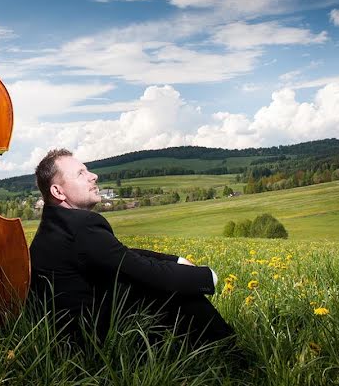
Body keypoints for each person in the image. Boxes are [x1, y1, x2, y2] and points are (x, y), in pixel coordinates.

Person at [28, 148, 234, 346]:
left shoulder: (55, 226)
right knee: (169, 286)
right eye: (81, 173)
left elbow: (120, 254)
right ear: (58, 191)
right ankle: (228, 352)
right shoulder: (81, 226)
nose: (94, 176)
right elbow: (140, 270)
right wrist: (205, 277)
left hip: (68, 334)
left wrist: (175, 260)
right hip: (94, 342)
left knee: (162, 277)